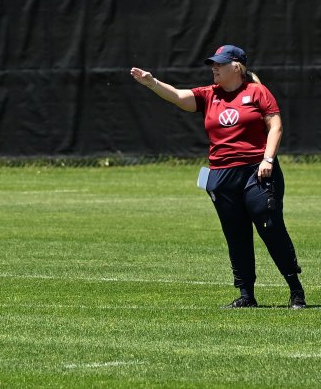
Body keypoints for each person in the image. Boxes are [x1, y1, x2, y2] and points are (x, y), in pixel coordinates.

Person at [130, 45, 306, 308]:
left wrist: (267, 159)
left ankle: (295, 290)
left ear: (236, 67)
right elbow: (179, 96)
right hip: (222, 175)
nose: (214, 67)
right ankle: (246, 295)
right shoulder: (208, 95)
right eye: (213, 63)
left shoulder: (256, 92)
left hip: (256, 171)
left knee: (270, 228)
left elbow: (275, 125)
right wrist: (151, 83)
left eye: (219, 64)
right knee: (236, 234)